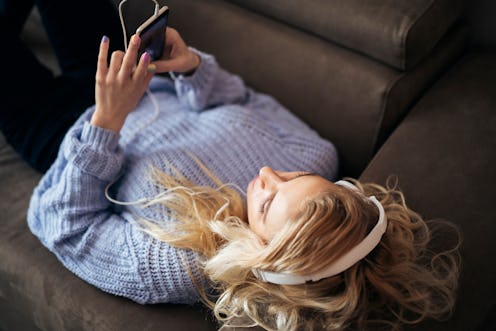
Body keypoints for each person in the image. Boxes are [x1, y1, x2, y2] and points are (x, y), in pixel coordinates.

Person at [0, 0, 461, 330]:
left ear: (264, 256)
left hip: (63, 129)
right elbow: (243, 99)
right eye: (297, 179)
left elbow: (63, 223)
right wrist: (190, 67)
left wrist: (107, 119)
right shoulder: (315, 154)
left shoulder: (182, 262)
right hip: (139, 79)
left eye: (267, 203)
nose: (267, 174)